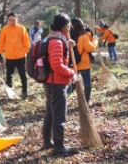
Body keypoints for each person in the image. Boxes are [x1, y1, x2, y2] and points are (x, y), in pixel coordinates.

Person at [41, 13, 77, 154]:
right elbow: (56, 65)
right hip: (56, 84)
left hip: (50, 82)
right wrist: (71, 73)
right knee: (59, 115)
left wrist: (68, 44)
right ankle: (59, 147)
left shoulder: (53, 37)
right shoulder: (57, 41)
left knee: (50, 112)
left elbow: (55, 55)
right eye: (68, 26)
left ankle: (47, 142)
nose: (69, 28)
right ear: (63, 27)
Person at [0, 13, 30, 98]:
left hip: (21, 56)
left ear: (17, 19)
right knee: (9, 75)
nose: (12, 21)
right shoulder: (4, 29)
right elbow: (1, 43)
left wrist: (28, 52)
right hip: (9, 56)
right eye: (10, 20)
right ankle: (10, 92)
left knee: (23, 74)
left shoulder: (21, 28)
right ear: (7, 20)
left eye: (13, 20)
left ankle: (25, 91)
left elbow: (26, 42)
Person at [70, 18, 98, 103]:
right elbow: (90, 48)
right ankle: (86, 102)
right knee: (87, 83)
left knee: (72, 85)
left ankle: (62, 99)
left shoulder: (68, 37)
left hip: (72, 64)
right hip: (83, 64)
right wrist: (95, 40)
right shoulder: (83, 37)